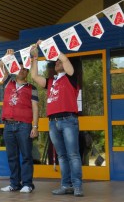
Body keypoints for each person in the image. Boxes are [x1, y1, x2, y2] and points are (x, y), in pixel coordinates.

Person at [30, 43, 84, 197]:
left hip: (68, 119)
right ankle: (66, 185)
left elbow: (65, 60)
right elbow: (34, 76)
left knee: (73, 154)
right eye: (56, 62)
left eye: (59, 61)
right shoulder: (51, 81)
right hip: (53, 122)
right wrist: (34, 57)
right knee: (62, 156)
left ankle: (77, 186)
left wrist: (49, 45)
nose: (57, 62)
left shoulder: (71, 77)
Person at [0, 49, 39, 193]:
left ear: (27, 73)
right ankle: (14, 184)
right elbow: (0, 67)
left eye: (25, 69)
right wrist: (7, 56)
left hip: (24, 126)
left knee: (27, 156)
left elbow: (35, 108)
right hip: (8, 125)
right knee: (12, 156)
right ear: (15, 70)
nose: (22, 71)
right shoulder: (8, 82)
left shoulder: (32, 88)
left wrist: (35, 126)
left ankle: (27, 184)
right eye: (20, 68)